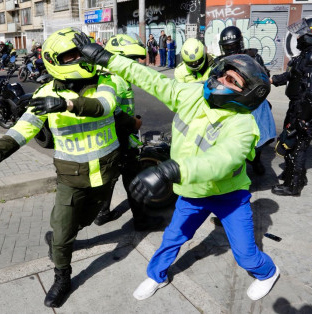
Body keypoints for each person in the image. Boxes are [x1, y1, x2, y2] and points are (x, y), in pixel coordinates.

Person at [73, 32, 280, 303]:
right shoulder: (194, 94)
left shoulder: (243, 124)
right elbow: (150, 78)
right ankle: (156, 275)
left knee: (245, 254)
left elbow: (221, 161)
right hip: (192, 192)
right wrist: (106, 58)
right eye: (222, 74)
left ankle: (268, 272)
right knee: (172, 238)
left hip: (229, 197)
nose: (220, 80)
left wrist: (169, 170)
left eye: (232, 81)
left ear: (247, 95)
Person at [0, 27, 125, 308]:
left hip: (106, 175)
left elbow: (104, 106)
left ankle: (64, 238)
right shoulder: (45, 92)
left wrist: (65, 103)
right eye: (73, 54)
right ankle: (62, 276)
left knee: (82, 223)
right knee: (62, 232)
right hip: (70, 178)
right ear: (55, 61)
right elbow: (21, 131)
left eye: (83, 50)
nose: (81, 57)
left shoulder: (107, 81)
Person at [93, 34, 164, 231]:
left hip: (112, 138)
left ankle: (102, 213)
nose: (134, 64)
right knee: (134, 179)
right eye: (130, 60)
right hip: (121, 136)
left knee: (112, 175)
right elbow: (112, 113)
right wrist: (134, 122)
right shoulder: (115, 80)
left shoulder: (108, 75)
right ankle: (142, 221)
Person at [271, 18, 312, 196]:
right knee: (291, 142)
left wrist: (303, 118)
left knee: (297, 146)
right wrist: (273, 80)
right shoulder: (309, 54)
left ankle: (294, 185)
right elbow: (293, 75)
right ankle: (291, 174)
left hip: (304, 109)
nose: (299, 37)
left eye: (302, 34)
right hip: (297, 106)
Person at [216, 25, 276, 176]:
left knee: (263, 110)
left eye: (233, 45)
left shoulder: (253, 58)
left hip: (250, 101)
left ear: (240, 44)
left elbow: (264, 79)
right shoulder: (219, 62)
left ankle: (256, 158)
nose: (230, 49)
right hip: (228, 103)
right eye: (227, 47)